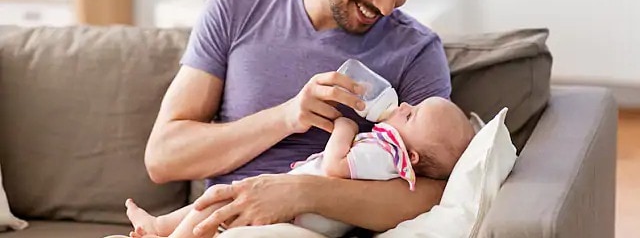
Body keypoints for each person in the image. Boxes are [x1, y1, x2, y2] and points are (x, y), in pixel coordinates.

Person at [143, 0, 452, 236]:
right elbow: (163, 157)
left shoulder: (416, 51)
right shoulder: (235, 7)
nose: (386, 6)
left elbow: (433, 194)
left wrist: (303, 193)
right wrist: (287, 117)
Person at [126, 97, 475, 238]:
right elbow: (160, 158)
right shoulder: (392, 154)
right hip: (285, 206)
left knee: (217, 203)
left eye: (411, 114)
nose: (403, 104)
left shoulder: (386, 154)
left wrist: (346, 126)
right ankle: (161, 226)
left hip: (295, 216)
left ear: (412, 156)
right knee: (217, 203)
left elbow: (338, 166)